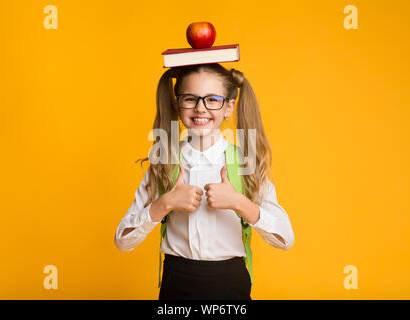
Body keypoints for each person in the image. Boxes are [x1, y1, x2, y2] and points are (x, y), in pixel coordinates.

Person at [114, 63, 295, 300]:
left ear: (229, 107)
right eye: (190, 99)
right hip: (176, 284)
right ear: (178, 105)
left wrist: (238, 202)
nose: (200, 108)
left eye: (212, 100)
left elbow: (285, 239)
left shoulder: (246, 165)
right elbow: (123, 241)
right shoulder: (163, 165)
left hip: (230, 284)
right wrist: (163, 204)